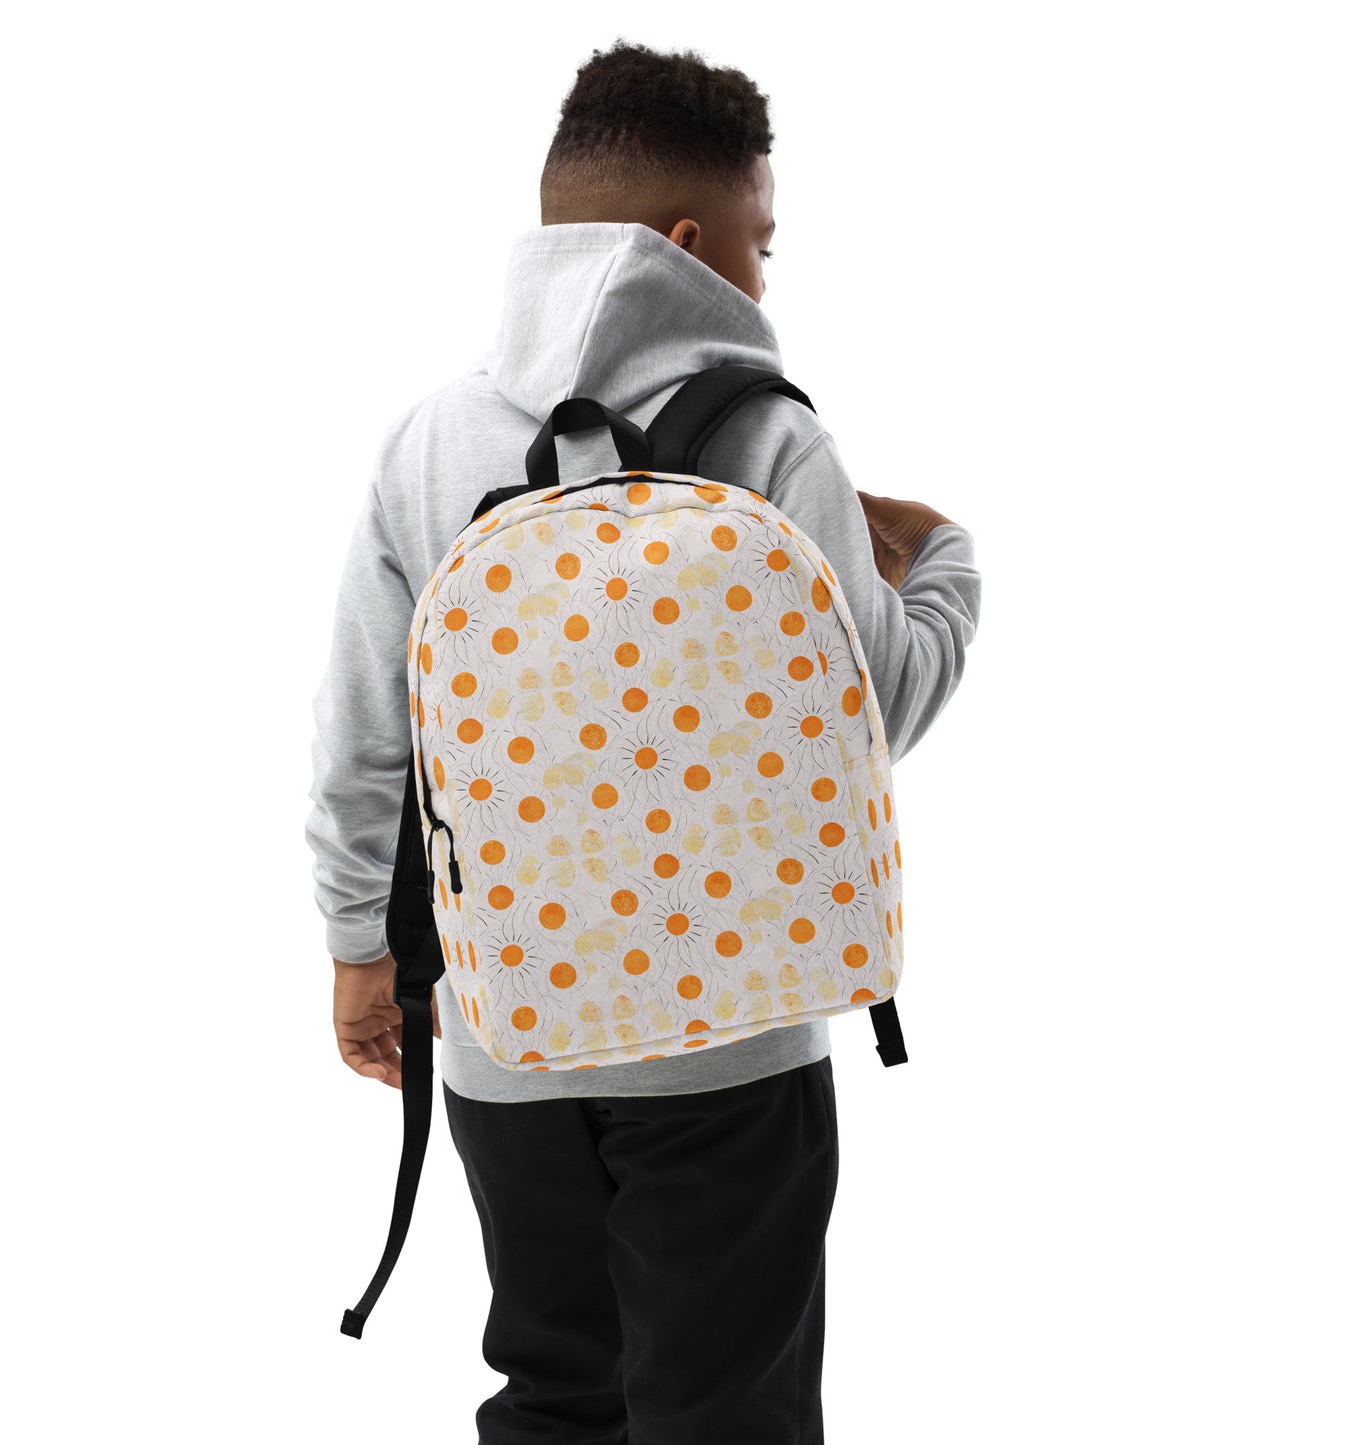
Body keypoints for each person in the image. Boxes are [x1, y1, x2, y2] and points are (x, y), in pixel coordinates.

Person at [305, 38, 982, 1445]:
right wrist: (942, 563)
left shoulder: (426, 440)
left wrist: (363, 949)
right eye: (761, 245)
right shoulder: (774, 439)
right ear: (687, 244)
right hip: (732, 1049)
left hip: (507, 1040)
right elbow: (875, 714)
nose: (764, 281)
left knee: (557, 1393)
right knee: (726, 1409)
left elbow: (370, 734)